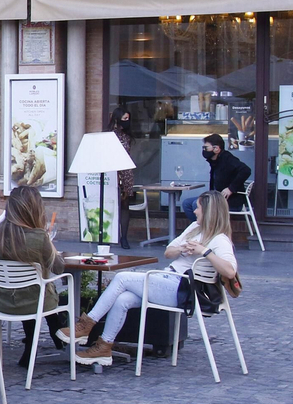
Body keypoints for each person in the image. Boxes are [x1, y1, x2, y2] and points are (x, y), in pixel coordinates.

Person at [61, 190, 238, 363]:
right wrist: (183, 248)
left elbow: (230, 271)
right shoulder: (194, 228)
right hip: (168, 279)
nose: (194, 211)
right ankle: (104, 347)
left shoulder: (219, 239)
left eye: (198, 208)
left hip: (182, 290)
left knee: (122, 278)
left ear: (208, 212)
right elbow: (168, 252)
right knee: (123, 299)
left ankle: (86, 325)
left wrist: (204, 251)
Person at [0, 186, 67, 368]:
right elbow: (59, 268)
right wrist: (50, 245)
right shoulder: (38, 238)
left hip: (0, 302)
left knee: (32, 290)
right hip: (34, 303)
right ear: (36, 208)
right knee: (41, 290)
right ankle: (59, 336)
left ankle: (46, 339)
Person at [182, 134, 250, 221]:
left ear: (216, 149)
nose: (204, 150)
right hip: (216, 197)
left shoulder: (227, 158)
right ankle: (200, 230)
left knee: (197, 204)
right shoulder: (215, 161)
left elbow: (246, 170)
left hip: (230, 201)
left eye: (206, 148)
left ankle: (207, 231)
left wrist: (231, 189)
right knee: (187, 203)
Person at [108, 108, 137, 249]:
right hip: (113, 171)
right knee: (109, 203)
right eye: (124, 119)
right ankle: (108, 235)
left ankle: (124, 237)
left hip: (126, 172)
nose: (127, 122)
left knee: (125, 205)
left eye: (128, 119)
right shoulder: (110, 136)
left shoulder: (127, 136)